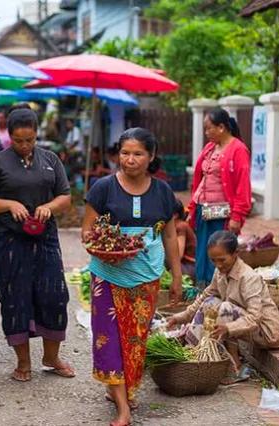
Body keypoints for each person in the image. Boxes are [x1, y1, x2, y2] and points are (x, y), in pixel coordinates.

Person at [82, 127, 183, 426]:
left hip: (146, 277)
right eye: (125, 153)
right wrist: (102, 248)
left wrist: (175, 277)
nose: (130, 159)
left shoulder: (163, 192)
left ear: (151, 156)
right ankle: (123, 407)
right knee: (109, 339)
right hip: (107, 275)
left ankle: (123, 390)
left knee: (135, 340)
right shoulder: (102, 188)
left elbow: (169, 237)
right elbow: (87, 233)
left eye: (138, 153)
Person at [0, 105, 74, 383]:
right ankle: (23, 362)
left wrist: (49, 207)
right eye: (18, 141)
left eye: (29, 140)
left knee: (54, 294)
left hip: (45, 237)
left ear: (36, 135)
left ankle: (51, 357)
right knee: (15, 296)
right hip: (10, 239)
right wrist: (9, 203)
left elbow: (65, 197)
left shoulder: (50, 160)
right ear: (9, 136)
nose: (24, 146)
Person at [167, 230, 279, 384]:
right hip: (242, 324)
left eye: (222, 260)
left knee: (225, 308)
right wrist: (181, 317)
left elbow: (255, 318)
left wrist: (227, 328)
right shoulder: (220, 272)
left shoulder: (249, 278)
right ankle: (193, 351)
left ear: (236, 254)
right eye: (213, 261)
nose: (218, 265)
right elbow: (205, 296)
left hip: (266, 332)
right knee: (211, 303)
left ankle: (233, 367)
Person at [188, 107, 251, 288]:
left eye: (209, 128)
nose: (206, 133)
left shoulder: (238, 150)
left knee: (219, 251)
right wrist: (193, 206)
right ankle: (201, 288)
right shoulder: (210, 148)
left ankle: (216, 290)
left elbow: (242, 185)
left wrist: (237, 216)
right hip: (203, 208)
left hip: (222, 211)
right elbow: (201, 180)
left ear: (222, 127)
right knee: (202, 249)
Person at [173, 199, 196, 278]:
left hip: (188, 267)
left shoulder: (180, 226)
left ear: (175, 215)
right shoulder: (176, 225)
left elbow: (179, 255)